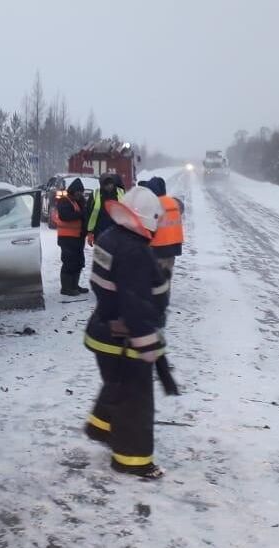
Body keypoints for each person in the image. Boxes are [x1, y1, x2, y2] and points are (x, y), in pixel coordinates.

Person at [83, 185, 170, 480]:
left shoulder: (110, 238)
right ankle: (133, 461)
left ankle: (101, 426)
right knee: (136, 399)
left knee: (117, 383)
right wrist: (148, 345)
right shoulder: (135, 251)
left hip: (103, 330)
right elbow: (136, 304)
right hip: (125, 338)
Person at [144, 176, 185, 286]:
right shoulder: (173, 202)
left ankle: (155, 299)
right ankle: (164, 298)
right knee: (166, 275)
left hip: (158, 247)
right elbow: (181, 207)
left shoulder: (153, 205)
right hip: (173, 246)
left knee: (154, 277)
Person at [55, 178, 89, 296]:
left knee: (78, 263)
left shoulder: (77, 202)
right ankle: (66, 288)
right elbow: (65, 216)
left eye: (81, 192)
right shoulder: (64, 201)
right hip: (67, 239)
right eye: (78, 191)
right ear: (73, 191)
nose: (80, 194)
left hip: (77, 238)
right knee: (69, 263)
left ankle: (74, 286)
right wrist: (81, 214)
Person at [86, 174, 125, 246]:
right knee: (101, 255)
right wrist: (90, 232)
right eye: (106, 184)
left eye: (111, 184)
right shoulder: (95, 194)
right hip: (100, 231)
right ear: (102, 185)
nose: (109, 186)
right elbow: (88, 213)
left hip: (117, 230)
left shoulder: (121, 192)